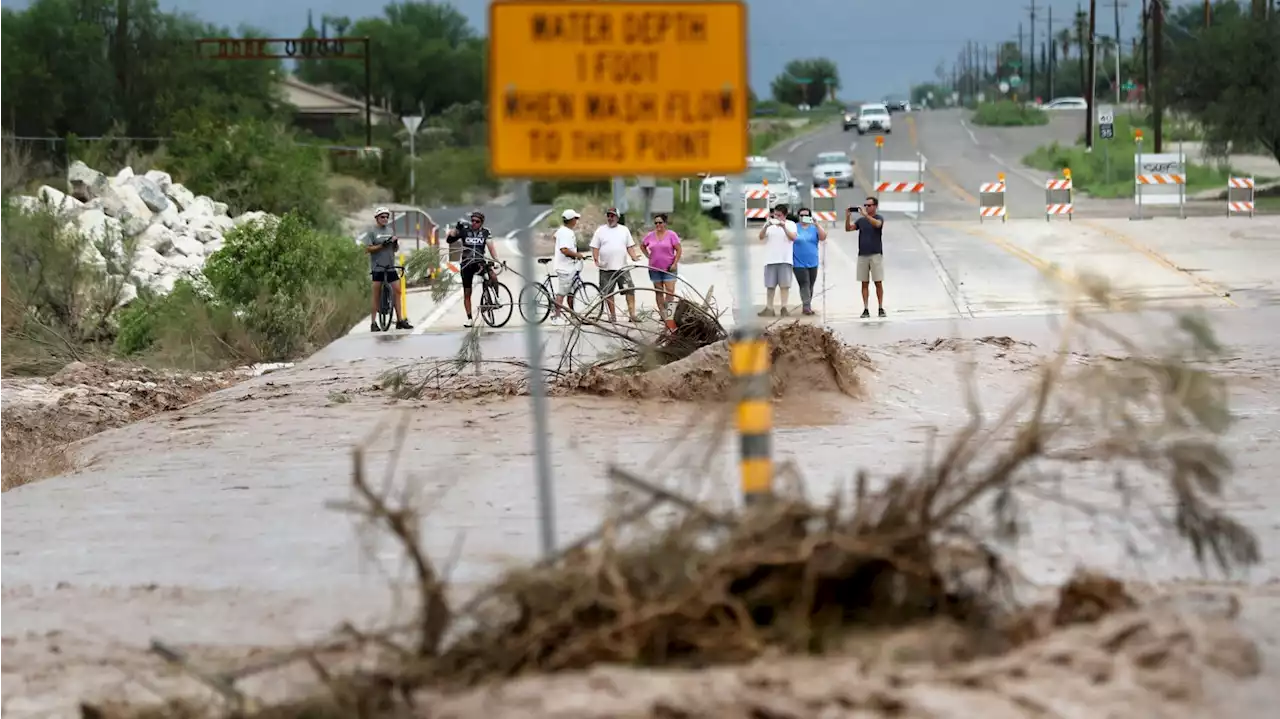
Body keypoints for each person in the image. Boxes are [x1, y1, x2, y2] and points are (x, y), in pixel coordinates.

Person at [447, 209, 500, 328]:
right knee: (467, 292)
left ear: (482, 223)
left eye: (477, 221)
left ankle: (495, 299)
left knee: (492, 276)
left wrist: (496, 260)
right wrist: (456, 229)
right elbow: (449, 240)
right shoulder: (465, 231)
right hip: (467, 264)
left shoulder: (486, 232)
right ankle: (469, 318)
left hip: (479, 263)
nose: (474, 223)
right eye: (472, 221)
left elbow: (491, 247)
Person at [363, 207, 412, 332]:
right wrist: (382, 245)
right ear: (377, 218)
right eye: (382, 217)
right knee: (376, 295)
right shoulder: (372, 232)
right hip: (378, 267)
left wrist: (395, 243)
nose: (385, 219)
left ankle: (400, 320)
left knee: (397, 291)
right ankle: (373, 323)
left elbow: (394, 250)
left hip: (390, 266)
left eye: (386, 217)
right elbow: (368, 249)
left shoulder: (390, 230)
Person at [589, 207, 641, 323]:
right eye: (608, 216)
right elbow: (595, 247)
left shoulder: (624, 230)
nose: (610, 218)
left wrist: (634, 257)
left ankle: (632, 315)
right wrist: (596, 260)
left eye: (612, 216)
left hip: (622, 268)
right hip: (606, 268)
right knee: (608, 292)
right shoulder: (600, 230)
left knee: (630, 289)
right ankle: (613, 316)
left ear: (617, 217)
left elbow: (629, 246)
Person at [845, 196, 886, 318]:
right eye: (865, 205)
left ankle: (880, 307)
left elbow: (878, 225)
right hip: (862, 254)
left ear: (875, 206)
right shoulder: (861, 221)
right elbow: (848, 229)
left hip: (875, 254)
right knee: (864, 283)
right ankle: (866, 308)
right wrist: (848, 217)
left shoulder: (878, 218)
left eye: (869, 205)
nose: (867, 207)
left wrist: (866, 216)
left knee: (878, 282)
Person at [639, 213, 682, 326]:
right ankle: (663, 315)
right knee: (658, 292)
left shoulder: (671, 235)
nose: (658, 225)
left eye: (660, 222)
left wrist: (675, 263)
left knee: (670, 291)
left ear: (665, 223)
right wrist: (648, 255)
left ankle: (670, 315)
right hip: (654, 268)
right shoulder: (650, 235)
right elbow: (642, 245)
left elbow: (679, 250)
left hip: (669, 268)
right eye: (656, 223)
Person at [757, 204, 797, 317]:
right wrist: (766, 226)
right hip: (770, 259)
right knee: (770, 286)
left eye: (779, 215)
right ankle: (769, 308)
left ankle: (784, 308)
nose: (777, 217)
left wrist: (783, 227)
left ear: (785, 215)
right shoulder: (769, 224)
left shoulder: (791, 224)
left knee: (785, 286)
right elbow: (760, 237)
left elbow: (793, 238)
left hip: (785, 259)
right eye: (775, 214)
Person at [552, 209, 587, 322]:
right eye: (575, 219)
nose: (576, 221)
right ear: (571, 220)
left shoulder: (563, 231)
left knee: (571, 291)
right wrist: (577, 255)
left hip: (570, 267)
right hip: (564, 268)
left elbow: (555, 237)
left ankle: (572, 314)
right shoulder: (565, 232)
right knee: (562, 293)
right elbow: (564, 250)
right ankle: (556, 317)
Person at [792, 207, 827, 315]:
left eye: (806, 215)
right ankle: (806, 307)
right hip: (798, 262)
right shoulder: (794, 227)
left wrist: (817, 224)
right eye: (801, 215)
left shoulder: (813, 228)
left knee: (810, 284)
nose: (803, 217)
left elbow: (823, 237)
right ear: (798, 216)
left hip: (813, 261)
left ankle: (807, 304)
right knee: (804, 283)